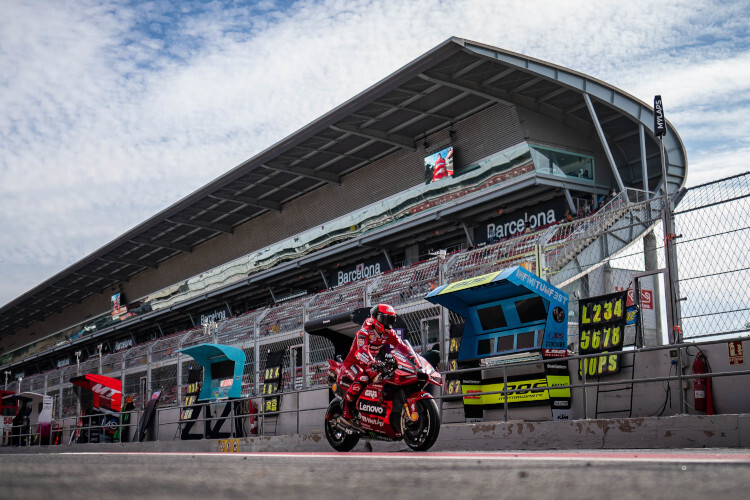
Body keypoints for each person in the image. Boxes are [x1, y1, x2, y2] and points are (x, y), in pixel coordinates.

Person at [338, 304, 410, 426]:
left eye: (391, 320)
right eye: (386, 320)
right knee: (363, 378)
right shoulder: (364, 331)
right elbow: (361, 351)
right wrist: (372, 362)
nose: (389, 323)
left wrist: (414, 357)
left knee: (387, 377)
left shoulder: (388, 333)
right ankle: (346, 410)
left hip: (369, 365)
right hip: (353, 364)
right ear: (377, 318)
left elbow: (401, 346)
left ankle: (375, 411)